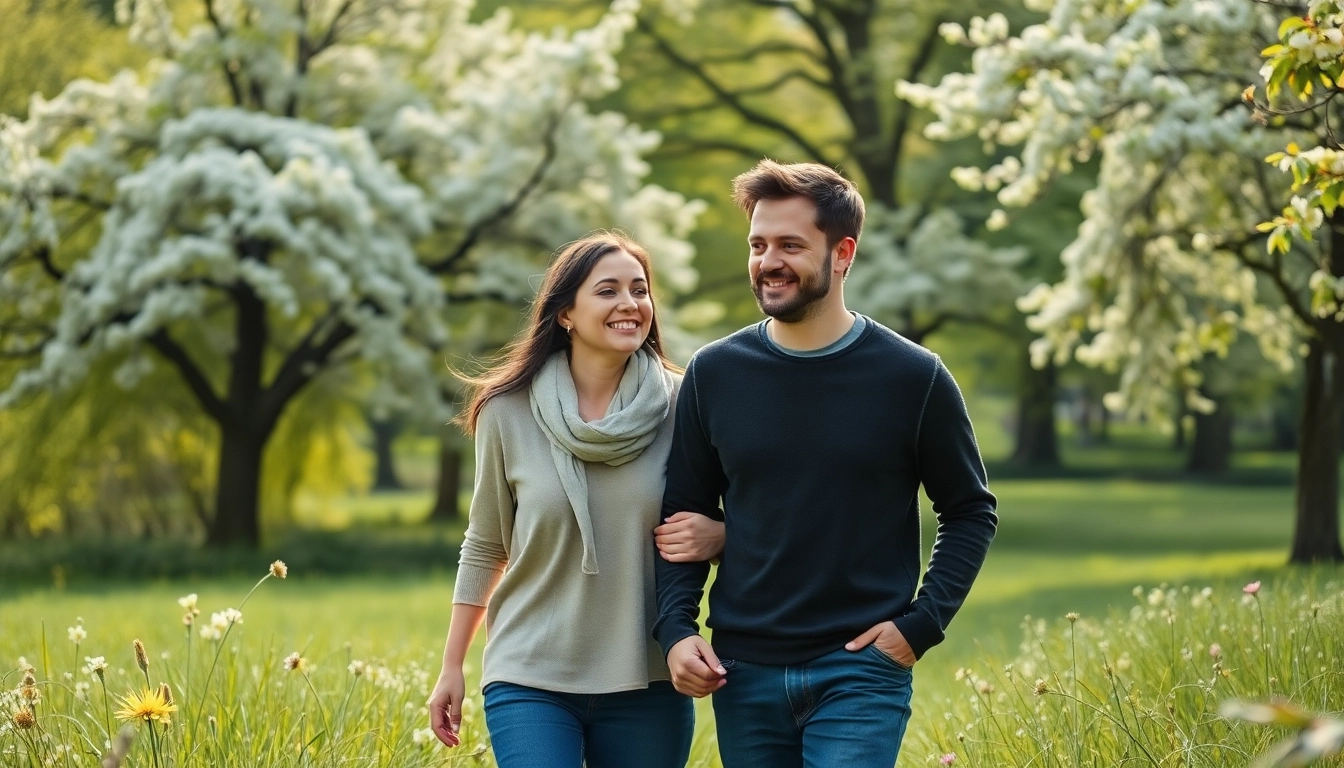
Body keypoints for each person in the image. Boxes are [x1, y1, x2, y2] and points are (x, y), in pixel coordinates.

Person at [653, 160, 999, 767]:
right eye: (758, 245)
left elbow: (970, 510)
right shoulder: (715, 372)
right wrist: (678, 631)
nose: (768, 261)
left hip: (860, 670)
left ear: (844, 253)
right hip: (744, 672)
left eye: (791, 245)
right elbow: (684, 516)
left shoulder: (913, 377)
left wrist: (921, 625)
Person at [427, 233, 725, 767]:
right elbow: (485, 544)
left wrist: (723, 536)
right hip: (530, 671)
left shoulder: (687, 405)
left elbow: (735, 516)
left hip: (648, 674)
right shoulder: (507, 410)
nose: (629, 304)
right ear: (565, 312)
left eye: (640, 290)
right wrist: (453, 665)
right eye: (607, 291)